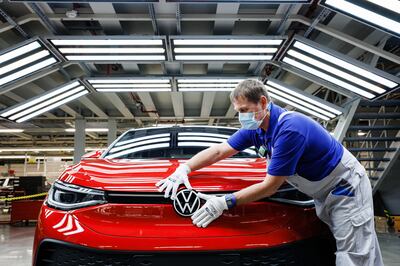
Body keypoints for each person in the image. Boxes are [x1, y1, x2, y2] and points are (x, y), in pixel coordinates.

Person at [156, 79, 383, 266]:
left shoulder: (289, 129)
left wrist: (224, 202)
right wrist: (185, 168)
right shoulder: (257, 128)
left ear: (262, 102)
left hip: (344, 186)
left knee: (353, 255)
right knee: (360, 245)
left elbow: (271, 186)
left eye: (244, 110)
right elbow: (218, 151)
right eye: (238, 111)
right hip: (322, 190)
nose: (241, 117)